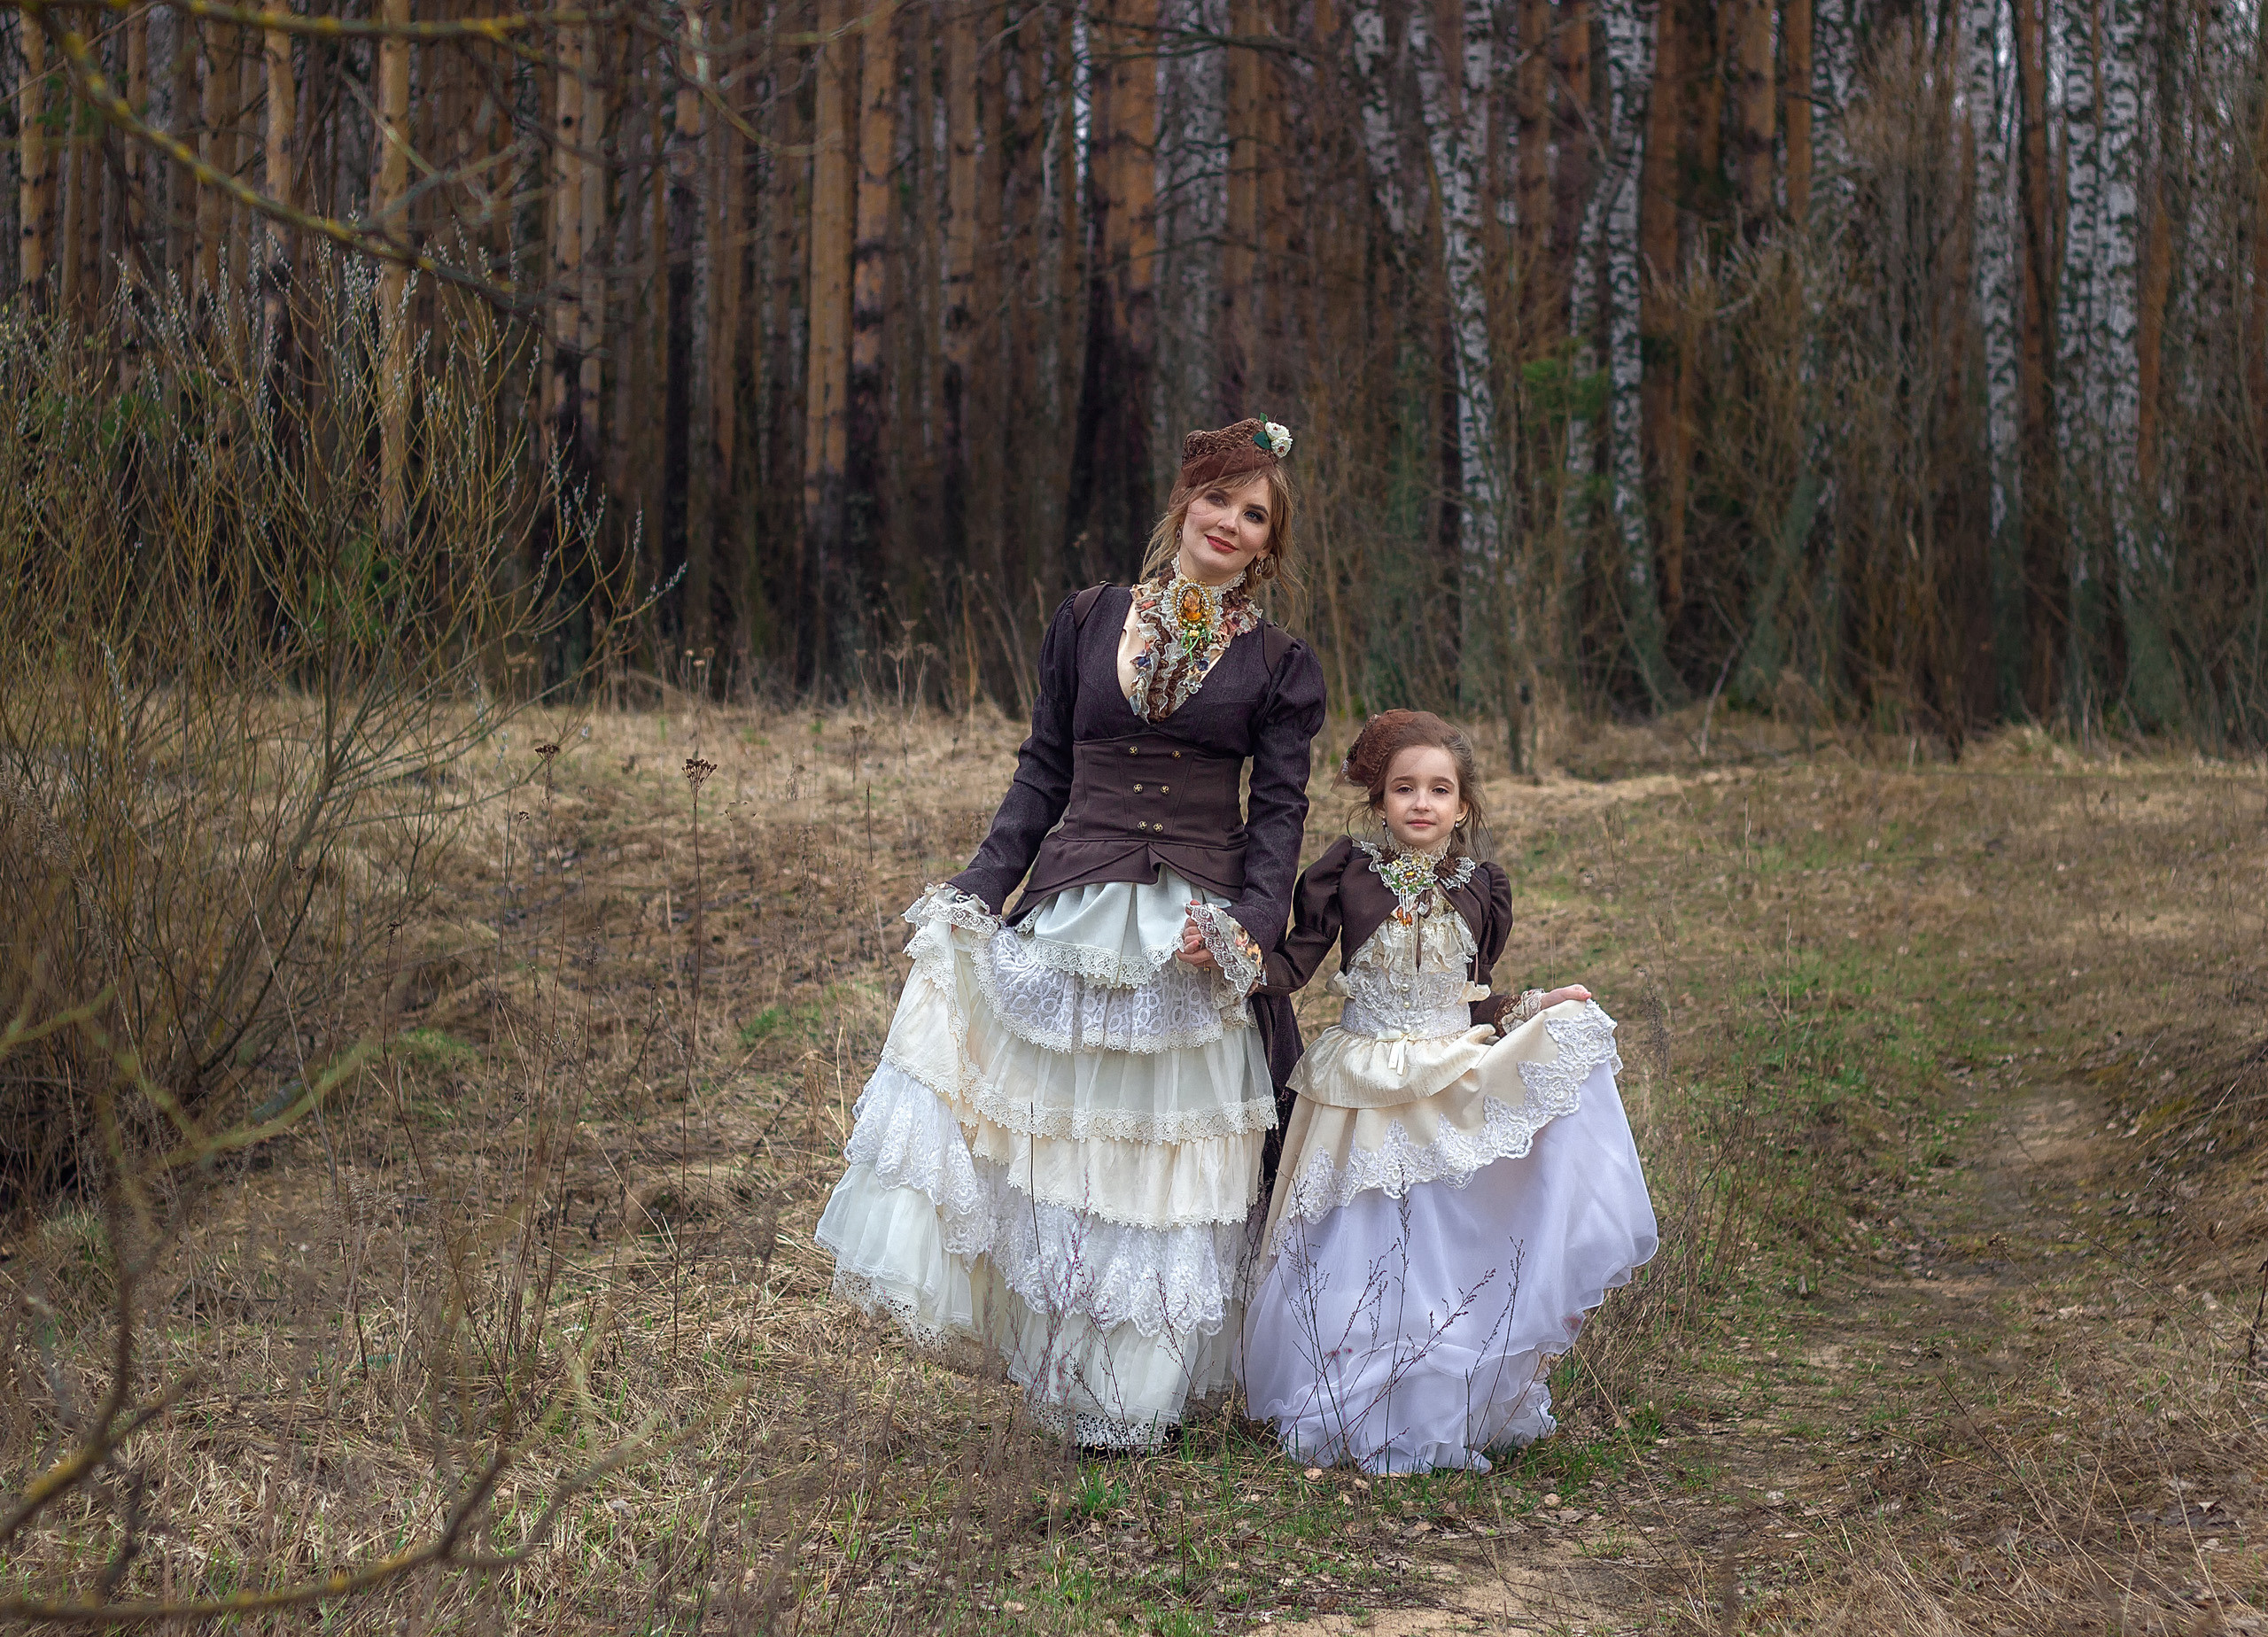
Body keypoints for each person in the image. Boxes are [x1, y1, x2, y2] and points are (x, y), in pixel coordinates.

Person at [816, 418, 1327, 1449]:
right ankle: (1067, 1369)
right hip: (1073, 917)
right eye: (1218, 498)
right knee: (1064, 1152)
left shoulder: (1278, 665)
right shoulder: (1087, 620)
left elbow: (1278, 818)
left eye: (1254, 514)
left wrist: (1250, 941)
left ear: (1268, 547)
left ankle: (1137, 1391)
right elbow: (1041, 772)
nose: (1229, 521)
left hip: (1189, 932)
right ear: (1185, 502)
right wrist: (977, 889)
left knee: (1157, 1171)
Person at [1239, 710, 1658, 1473]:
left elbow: (1479, 998)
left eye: (1440, 790)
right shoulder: (1345, 873)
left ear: (1463, 807)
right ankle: (1348, 1395)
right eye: (1405, 789)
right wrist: (1234, 965)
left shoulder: (1482, 888)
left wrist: (1537, 1008)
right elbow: (1293, 965)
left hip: (1447, 1071)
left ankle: (1437, 1398)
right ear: (1380, 802)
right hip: (1361, 1084)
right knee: (1360, 1241)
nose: (1422, 804)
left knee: (1439, 1242)